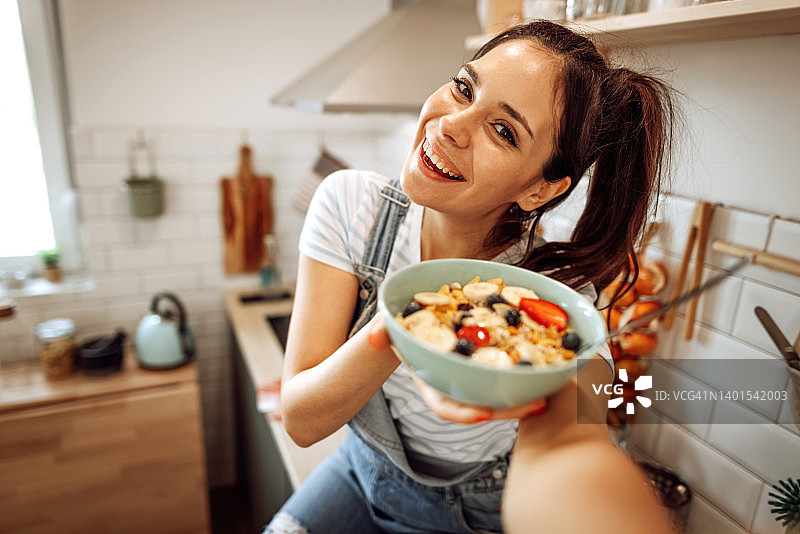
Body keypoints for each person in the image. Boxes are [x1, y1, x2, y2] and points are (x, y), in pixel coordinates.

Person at [266, 20, 677, 534]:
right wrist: (404, 327)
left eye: (503, 131)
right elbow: (302, 420)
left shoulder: (554, 302)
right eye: (464, 87)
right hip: (361, 473)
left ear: (539, 190)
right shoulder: (351, 206)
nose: (451, 126)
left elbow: (569, 446)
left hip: (471, 514)